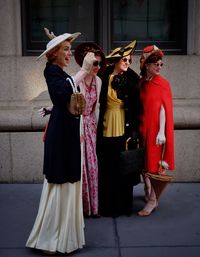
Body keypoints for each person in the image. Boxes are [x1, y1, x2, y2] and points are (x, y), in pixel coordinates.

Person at [26, 30, 97, 254]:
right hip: (62, 136)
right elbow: (62, 91)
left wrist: (50, 108)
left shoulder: (59, 72)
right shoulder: (52, 71)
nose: (69, 53)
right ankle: (50, 240)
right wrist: (84, 70)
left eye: (69, 48)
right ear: (54, 53)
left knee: (68, 182)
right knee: (59, 182)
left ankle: (66, 238)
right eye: (65, 49)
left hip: (68, 134)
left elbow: (64, 100)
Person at [97, 40, 141, 217]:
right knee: (108, 168)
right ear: (116, 61)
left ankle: (124, 207)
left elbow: (138, 107)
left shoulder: (131, 80)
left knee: (124, 168)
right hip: (107, 126)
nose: (128, 64)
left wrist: (135, 130)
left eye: (130, 61)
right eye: (125, 60)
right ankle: (108, 207)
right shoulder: (103, 78)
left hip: (124, 127)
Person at [137, 45, 175, 217]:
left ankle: (153, 200)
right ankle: (148, 188)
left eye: (161, 64)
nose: (159, 67)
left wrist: (161, 132)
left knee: (156, 164)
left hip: (157, 130)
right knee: (145, 163)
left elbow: (164, 109)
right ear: (146, 65)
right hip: (143, 127)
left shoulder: (163, 84)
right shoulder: (142, 83)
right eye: (156, 64)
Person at [73, 43, 106, 217]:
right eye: (94, 64)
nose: (98, 67)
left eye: (99, 64)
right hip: (78, 126)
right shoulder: (76, 79)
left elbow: (95, 108)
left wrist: (94, 128)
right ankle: (80, 209)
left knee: (92, 166)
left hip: (91, 126)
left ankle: (92, 207)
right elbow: (68, 103)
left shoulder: (98, 81)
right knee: (80, 167)